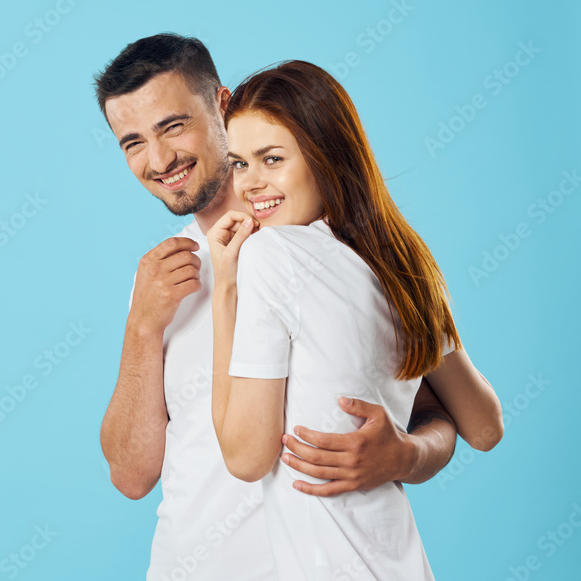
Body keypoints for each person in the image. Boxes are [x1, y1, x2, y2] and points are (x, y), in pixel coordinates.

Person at [94, 34, 464, 580]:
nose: (160, 159)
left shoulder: (340, 250)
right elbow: (130, 475)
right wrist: (141, 328)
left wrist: (406, 456)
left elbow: (442, 412)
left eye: (173, 126)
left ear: (223, 106)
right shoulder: (162, 280)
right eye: (132, 142)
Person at [207, 60, 503, 579]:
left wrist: (225, 286)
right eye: (239, 163)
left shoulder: (272, 254)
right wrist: (407, 454)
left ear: (326, 155)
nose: (251, 184)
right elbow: (483, 425)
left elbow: (246, 457)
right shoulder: (403, 262)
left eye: (271, 159)